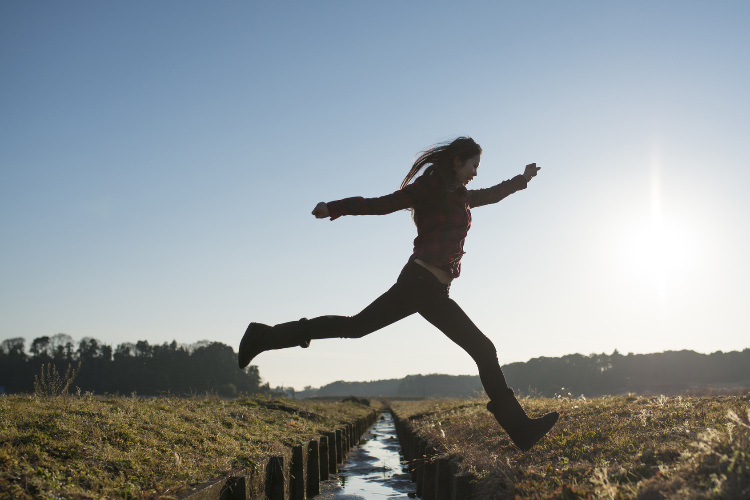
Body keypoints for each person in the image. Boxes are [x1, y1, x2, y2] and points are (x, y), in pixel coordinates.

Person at [238, 137, 559, 451]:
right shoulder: (431, 186)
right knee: (483, 349)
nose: (476, 172)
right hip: (420, 284)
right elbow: (384, 203)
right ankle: (521, 430)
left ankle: (263, 337)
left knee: (356, 327)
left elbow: (491, 194)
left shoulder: (459, 195)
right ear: (458, 161)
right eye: (474, 165)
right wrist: (335, 207)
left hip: (432, 289)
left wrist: (522, 179)